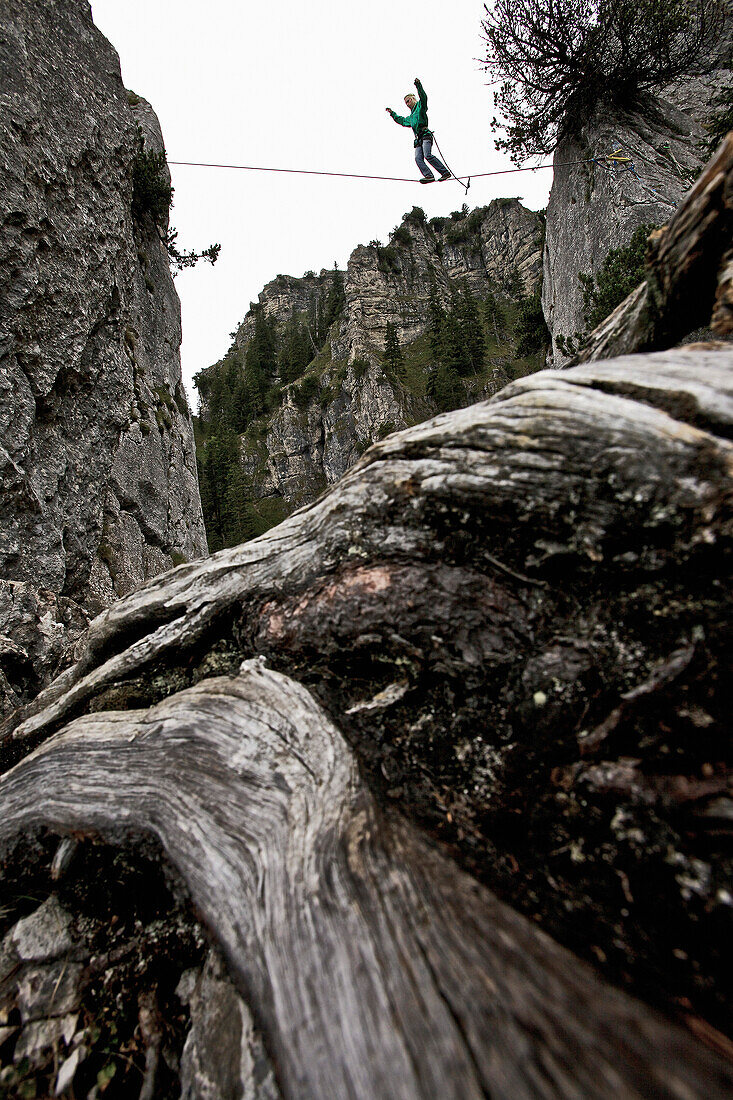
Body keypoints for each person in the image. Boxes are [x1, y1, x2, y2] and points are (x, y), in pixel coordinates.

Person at [386, 78, 451, 184]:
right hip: (418, 139)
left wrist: (418, 85)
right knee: (418, 158)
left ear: (414, 99)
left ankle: (445, 172)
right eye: (406, 102)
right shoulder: (411, 117)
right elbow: (402, 120)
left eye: (409, 100)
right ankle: (429, 175)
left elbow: (424, 97)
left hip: (425, 135)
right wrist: (392, 113)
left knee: (427, 155)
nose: (407, 103)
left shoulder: (420, 107)